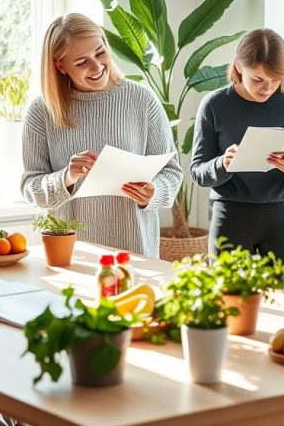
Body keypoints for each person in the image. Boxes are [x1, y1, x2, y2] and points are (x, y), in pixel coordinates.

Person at [21, 13, 183, 258]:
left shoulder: (141, 100)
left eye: (100, 53)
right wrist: (67, 176)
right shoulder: (42, 111)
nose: (96, 67)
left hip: (134, 252)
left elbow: (172, 172)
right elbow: (31, 188)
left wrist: (154, 191)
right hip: (71, 255)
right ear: (60, 65)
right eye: (81, 62)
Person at [190, 28, 284, 283]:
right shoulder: (215, 104)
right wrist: (223, 164)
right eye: (258, 79)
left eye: (276, 79)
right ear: (239, 67)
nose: (268, 88)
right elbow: (198, 172)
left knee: (277, 299)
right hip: (230, 214)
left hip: (282, 217)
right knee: (226, 298)